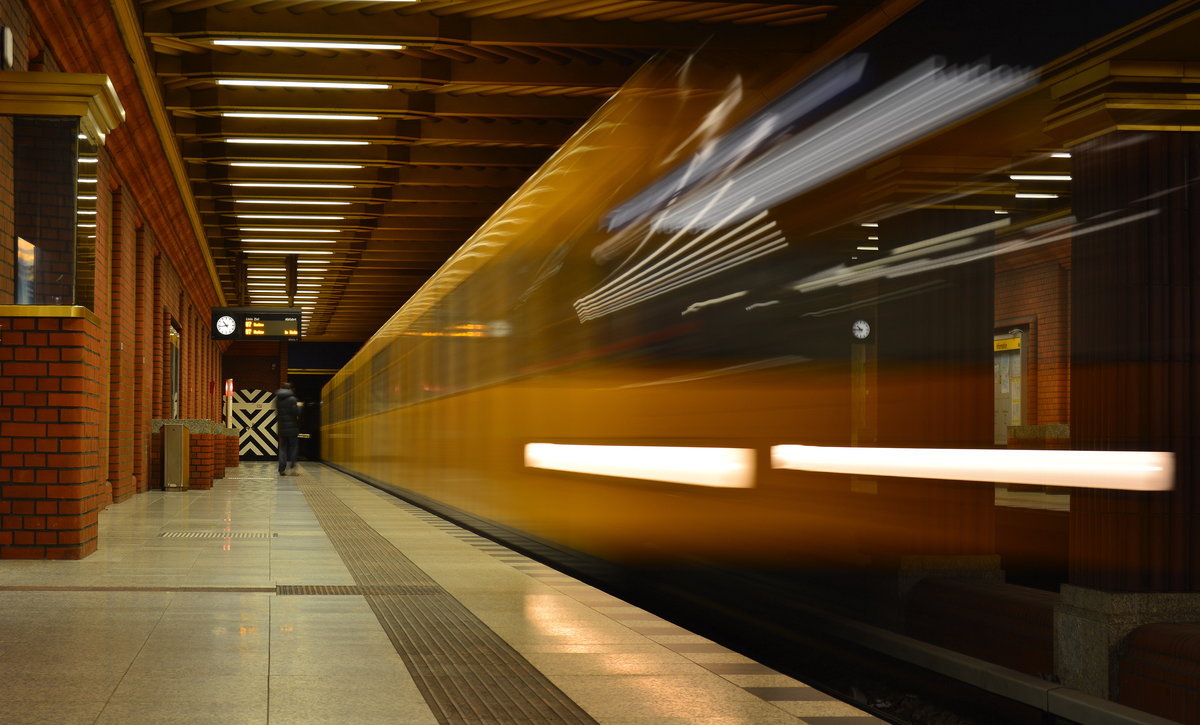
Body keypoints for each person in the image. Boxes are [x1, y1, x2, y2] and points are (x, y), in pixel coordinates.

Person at [274, 381, 301, 475]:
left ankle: (282, 469)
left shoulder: (277, 399)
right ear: (290, 389)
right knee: (293, 447)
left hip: (282, 428)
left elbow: (277, 412)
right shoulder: (293, 399)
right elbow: (296, 413)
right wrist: (300, 408)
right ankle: (293, 469)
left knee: (282, 448)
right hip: (292, 428)